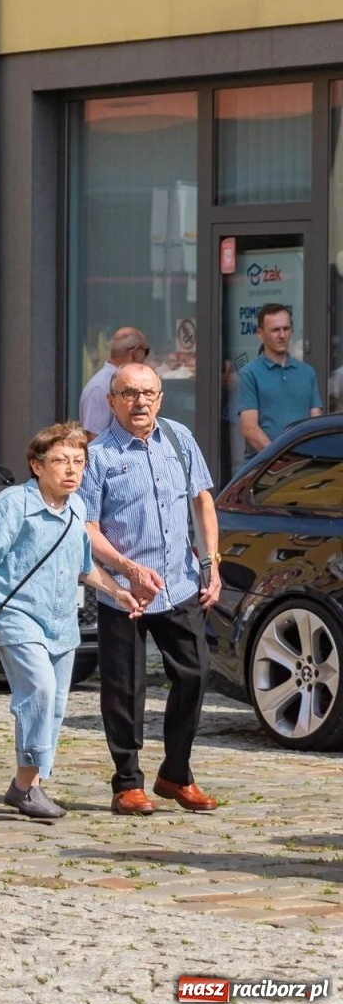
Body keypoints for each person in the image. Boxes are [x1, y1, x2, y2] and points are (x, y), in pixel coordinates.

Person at [0, 423, 144, 819]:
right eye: (61, 461)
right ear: (36, 465)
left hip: (62, 622)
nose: (72, 470)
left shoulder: (78, 509)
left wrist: (117, 591)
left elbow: (85, 568)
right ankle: (26, 785)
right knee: (40, 691)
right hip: (18, 615)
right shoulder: (12, 505)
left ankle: (27, 787)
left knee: (52, 706)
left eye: (78, 462)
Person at [79, 363, 222, 816]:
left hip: (178, 582)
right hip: (122, 590)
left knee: (196, 674)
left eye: (148, 393)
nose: (139, 402)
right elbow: (87, 527)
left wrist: (210, 563)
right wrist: (126, 568)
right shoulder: (98, 455)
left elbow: (202, 501)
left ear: (160, 398)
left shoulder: (178, 439)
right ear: (112, 400)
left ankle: (175, 774)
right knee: (125, 688)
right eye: (129, 393)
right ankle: (127, 782)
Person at [236, 304, 320, 457]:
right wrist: (282, 461)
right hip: (264, 470)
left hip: (304, 467)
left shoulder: (307, 372)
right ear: (260, 334)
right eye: (275, 330)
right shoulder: (249, 373)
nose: (282, 335)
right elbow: (250, 430)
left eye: (286, 328)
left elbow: (316, 424)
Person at [80, 328, 149, 439]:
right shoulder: (100, 388)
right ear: (135, 352)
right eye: (146, 351)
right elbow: (93, 439)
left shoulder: (108, 384)